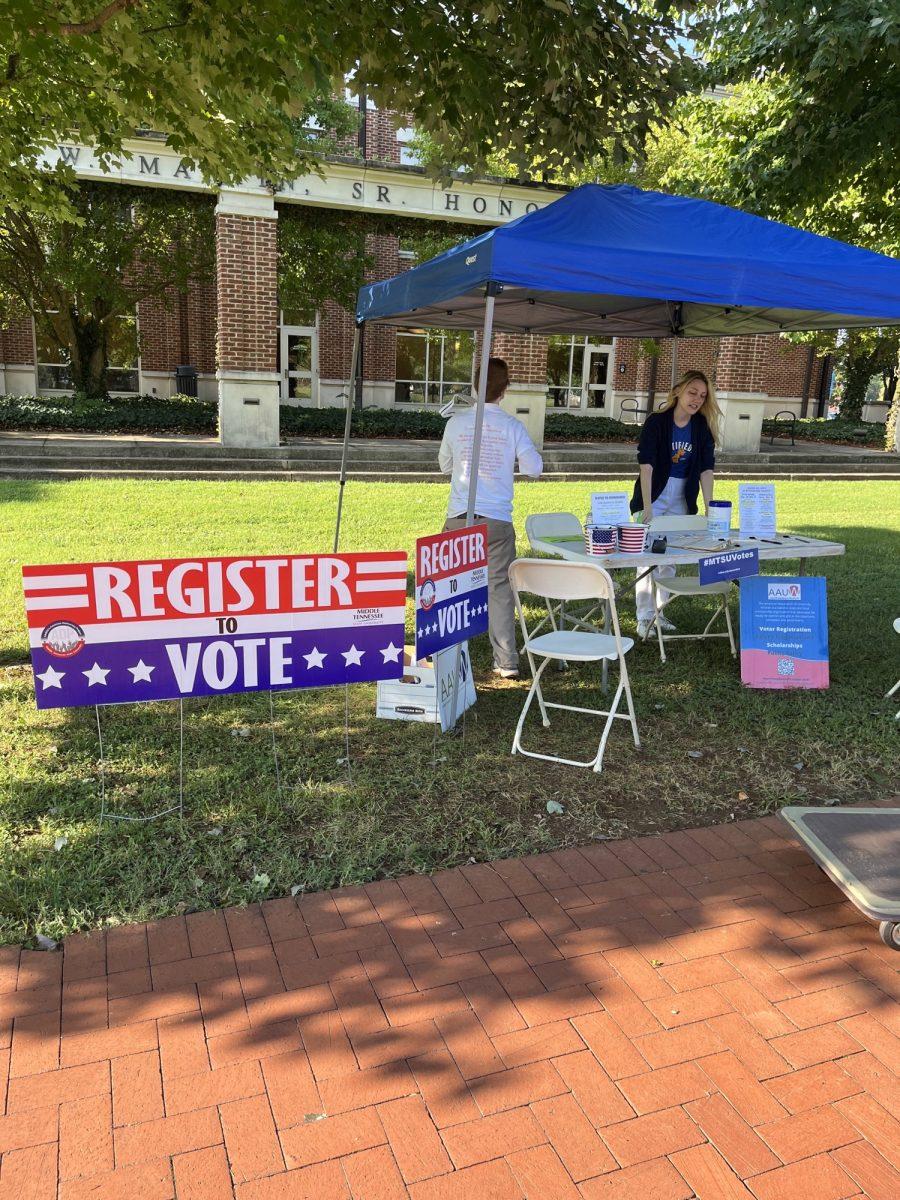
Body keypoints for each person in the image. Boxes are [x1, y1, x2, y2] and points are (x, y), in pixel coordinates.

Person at [439, 357, 543, 678]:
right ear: (505, 390)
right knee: (499, 588)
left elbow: (444, 464)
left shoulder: (455, 423)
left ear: (473, 386)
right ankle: (506, 660)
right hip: (496, 519)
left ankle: (450, 657)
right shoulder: (512, 426)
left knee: (451, 588)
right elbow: (533, 469)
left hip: (459, 516)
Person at [630, 369, 721, 639]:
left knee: (670, 555)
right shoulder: (657, 422)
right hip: (655, 493)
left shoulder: (701, 427)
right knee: (647, 556)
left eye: (702, 396)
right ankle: (644, 616)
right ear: (678, 391)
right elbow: (646, 465)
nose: (696, 399)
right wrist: (647, 506)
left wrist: (709, 507)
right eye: (692, 392)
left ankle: (660, 612)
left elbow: (706, 469)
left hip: (683, 494)